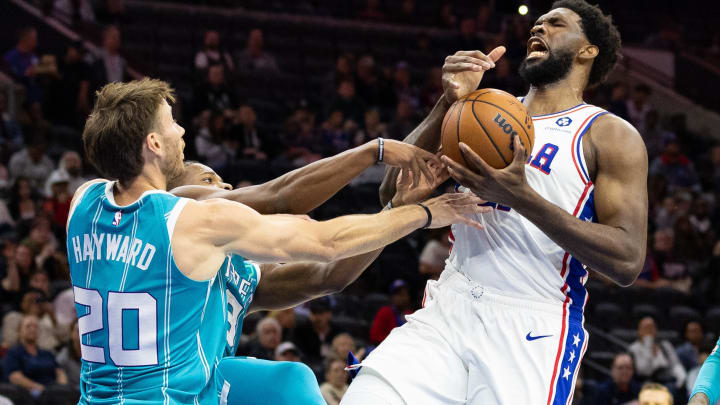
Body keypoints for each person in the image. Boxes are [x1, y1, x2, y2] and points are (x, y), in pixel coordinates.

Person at [69, 78, 486, 404]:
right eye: (172, 123)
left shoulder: (84, 202)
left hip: (106, 395)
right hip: (170, 398)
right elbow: (299, 219)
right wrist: (423, 211)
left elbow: (327, 274)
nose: (181, 130)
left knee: (290, 378)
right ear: (155, 144)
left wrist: (392, 201)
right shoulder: (194, 220)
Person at [347, 0, 648, 403]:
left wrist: (520, 198)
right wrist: (448, 102)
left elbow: (627, 260)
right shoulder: (480, 109)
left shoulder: (607, 134)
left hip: (531, 322)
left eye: (555, 24)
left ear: (588, 50)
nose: (538, 28)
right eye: (537, 23)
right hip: (450, 303)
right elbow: (392, 193)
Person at [3, 315, 68, 397]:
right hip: (29, 392)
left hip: (52, 390)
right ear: (20, 330)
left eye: (36, 327)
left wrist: (61, 388)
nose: (32, 329)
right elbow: (15, 377)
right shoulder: (13, 352)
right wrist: (41, 389)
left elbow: (60, 372)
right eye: (28, 326)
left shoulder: (47, 353)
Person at [629, 317, 686, 388]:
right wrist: (648, 343)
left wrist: (681, 377)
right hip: (646, 383)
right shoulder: (634, 348)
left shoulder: (665, 345)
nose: (649, 330)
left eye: (652, 327)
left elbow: (675, 364)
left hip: (667, 381)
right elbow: (645, 371)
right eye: (646, 328)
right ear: (639, 331)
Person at [369, 279, 413, 345]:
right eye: (396, 295)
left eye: (402, 294)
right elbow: (374, 336)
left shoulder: (413, 316)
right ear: (391, 297)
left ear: (408, 297)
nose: (399, 298)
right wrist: (396, 341)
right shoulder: (385, 312)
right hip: (385, 348)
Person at [689, 338, 719, 405]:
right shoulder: (692, 373)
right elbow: (693, 393)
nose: (703, 357)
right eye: (701, 354)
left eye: (707, 354)